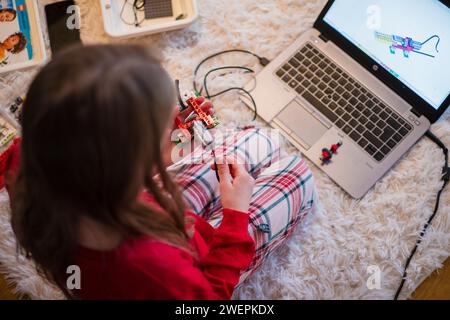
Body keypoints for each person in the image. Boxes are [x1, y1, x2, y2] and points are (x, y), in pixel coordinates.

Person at [4, 44, 316, 299]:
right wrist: (235, 217)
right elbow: (207, 298)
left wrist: (172, 135)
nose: (175, 128)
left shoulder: (31, 158)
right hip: (204, 255)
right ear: (129, 165)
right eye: (163, 128)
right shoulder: (151, 267)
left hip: (151, 217)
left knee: (259, 140)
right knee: (297, 172)